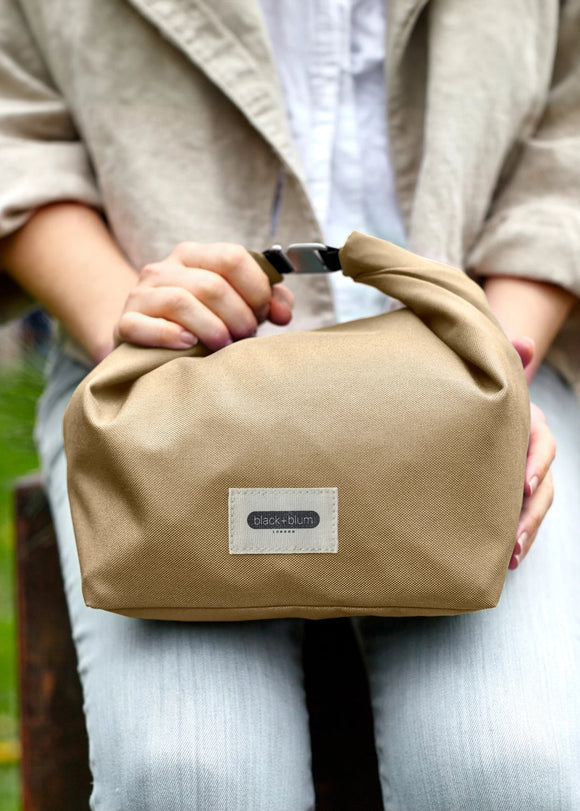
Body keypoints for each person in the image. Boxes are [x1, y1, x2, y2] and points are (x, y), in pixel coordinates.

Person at [1, 0, 579, 808]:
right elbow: (14, 133)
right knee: (189, 777)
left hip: (484, 347)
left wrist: (498, 370)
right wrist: (135, 327)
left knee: (506, 768)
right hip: (165, 373)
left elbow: (569, 131)